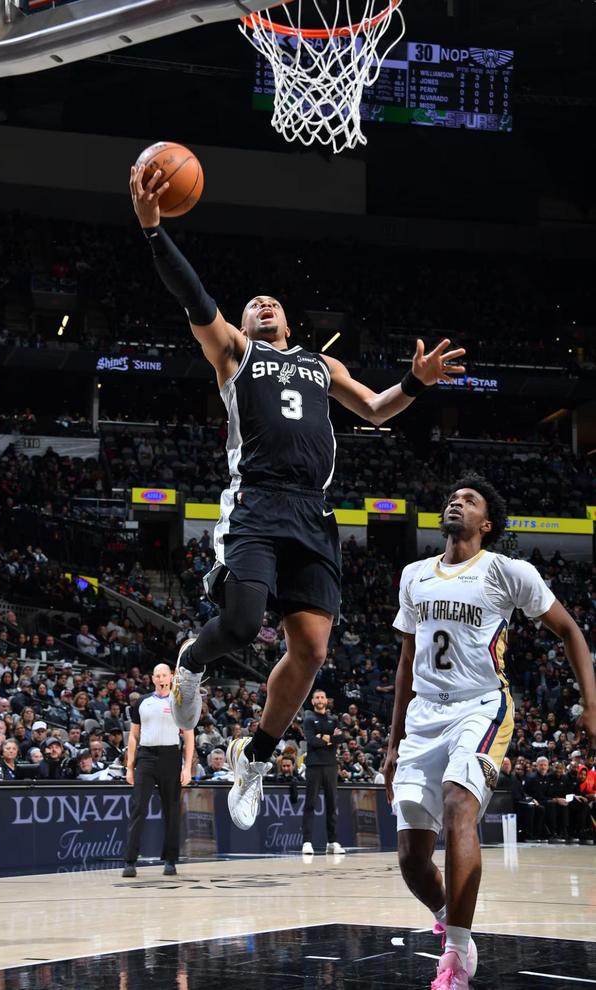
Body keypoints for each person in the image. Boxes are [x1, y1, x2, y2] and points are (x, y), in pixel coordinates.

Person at [129, 162, 466, 831]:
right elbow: (194, 298)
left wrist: (416, 381)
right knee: (239, 623)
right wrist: (154, 231)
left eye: (272, 302)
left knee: (311, 651)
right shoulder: (234, 354)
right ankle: (191, 662)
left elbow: (376, 408)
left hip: (313, 510)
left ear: (287, 318)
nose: (264, 304)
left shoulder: (321, 364)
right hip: (257, 501)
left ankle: (253, 757)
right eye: (253, 303)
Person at [383, 475, 596, 990]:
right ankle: (449, 915)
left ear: (487, 523)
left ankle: (455, 954)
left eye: (469, 500)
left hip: (480, 706)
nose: (456, 502)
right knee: (411, 857)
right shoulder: (414, 575)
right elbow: (407, 660)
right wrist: (392, 742)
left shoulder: (506, 571)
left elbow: (569, 629)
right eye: (452, 497)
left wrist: (592, 705)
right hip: (423, 715)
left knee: (459, 804)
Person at [123, 664, 194, 878]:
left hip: (170, 756)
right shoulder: (142, 702)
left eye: (164, 675)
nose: (161, 678)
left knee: (171, 810)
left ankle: (170, 860)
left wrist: (187, 767)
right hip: (146, 756)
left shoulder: (179, 702)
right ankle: (130, 861)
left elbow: (189, 736)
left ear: (171, 677)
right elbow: (133, 736)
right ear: (153, 678)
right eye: (157, 675)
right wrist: (130, 767)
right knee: (138, 808)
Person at [301, 689, 344, 855]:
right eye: (317, 697)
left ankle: (332, 842)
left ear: (326, 701)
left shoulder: (334, 719)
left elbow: (341, 738)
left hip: (331, 765)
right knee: (310, 804)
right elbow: (312, 741)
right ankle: (307, 842)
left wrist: (324, 737)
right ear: (313, 701)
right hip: (314, 765)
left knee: (332, 804)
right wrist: (330, 738)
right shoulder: (309, 719)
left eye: (322, 697)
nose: (320, 700)